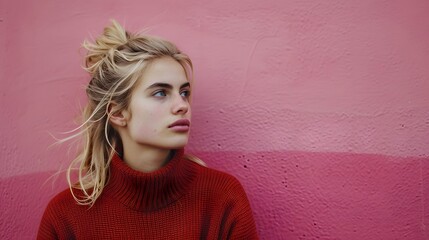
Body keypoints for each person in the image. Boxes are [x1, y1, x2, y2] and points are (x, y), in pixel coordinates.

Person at [37, 20, 258, 239]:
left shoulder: (223, 198)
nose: (183, 105)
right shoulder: (66, 216)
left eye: (184, 92)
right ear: (117, 113)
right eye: (160, 93)